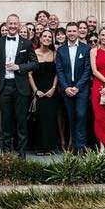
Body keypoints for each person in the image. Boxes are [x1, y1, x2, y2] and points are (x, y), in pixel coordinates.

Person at [0, 15, 36, 155]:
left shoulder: (26, 43)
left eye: (15, 24)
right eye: (10, 23)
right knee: (6, 121)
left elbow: (34, 63)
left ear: (19, 26)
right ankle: (6, 152)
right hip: (5, 86)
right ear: (6, 25)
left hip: (21, 87)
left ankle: (22, 152)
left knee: (21, 122)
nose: (12, 26)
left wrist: (18, 67)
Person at [55, 22, 91, 152]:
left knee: (81, 116)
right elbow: (59, 70)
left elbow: (88, 70)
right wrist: (65, 87)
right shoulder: (61, 50)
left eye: (74, 31)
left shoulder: (85, 49)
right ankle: (75, 147)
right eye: (69, 31)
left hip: (81, 90)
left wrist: (77, 87)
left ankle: (81, 147)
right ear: (66, 33)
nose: (71, 33)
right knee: (71, 117)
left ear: (78, 32)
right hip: (67, 90)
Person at [30, 27, 61, 154]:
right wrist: (35, 91)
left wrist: (53, 88)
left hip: (51, 90)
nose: (47, 38)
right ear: (40, 38)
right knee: (38, 118)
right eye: (45, 36)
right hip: (38, 90)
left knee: (50, 117)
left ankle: (49, 146)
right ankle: (38, 146)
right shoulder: (34, 53)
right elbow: (29, 74)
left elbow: (57, 73)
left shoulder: (54, 54)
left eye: (49, 37)